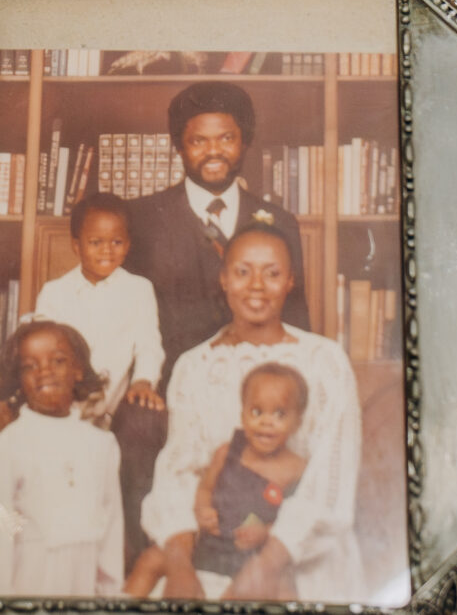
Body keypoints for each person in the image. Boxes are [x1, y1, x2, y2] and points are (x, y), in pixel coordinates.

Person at [118, 81, 309, 559]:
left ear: (244, 141)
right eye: (198, 140)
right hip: (167, 386)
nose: (213, 151)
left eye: (225, 138)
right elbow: (126, 309)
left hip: (256, 385)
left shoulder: (277, 220)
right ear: (179, 146)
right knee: (137, 428)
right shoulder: (142, 218)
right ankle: (148, 560)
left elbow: (299, 315)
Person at [139, 225, 362, 601]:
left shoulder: (325, 361)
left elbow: (330, 481)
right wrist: (180, 569)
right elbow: (178, 472)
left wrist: (263, 568)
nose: (256, 285)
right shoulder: (194, 366)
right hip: (212, 547)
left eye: (272, 273)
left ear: (290, 281)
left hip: (297, 550)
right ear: (223, 279)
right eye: (243, 271)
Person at [0, 321, 125, 598]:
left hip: (85, 591)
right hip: (29, 589)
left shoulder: (102, 445)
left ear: (78, 369)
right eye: (30, 366)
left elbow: (110, 538)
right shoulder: (1, 452)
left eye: (58, 360)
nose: (45, 372)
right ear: (18, 378)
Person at [30, 191, 167, 428]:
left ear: (128, 244)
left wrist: (143, 381)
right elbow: (44, 355)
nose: (107, 251)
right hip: (62, 403)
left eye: (117, 242)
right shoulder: (54, 293)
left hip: (113, 409)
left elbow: (149, 346)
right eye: (96, 243)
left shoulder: (139, 289)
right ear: (76, 245)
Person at [189, 364, 310, 579]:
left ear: (297, 423)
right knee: (152, 560)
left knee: (282, 588)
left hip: (255, 558)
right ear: (242, 414)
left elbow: (298, 519)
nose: (266, 422)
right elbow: (205, 488)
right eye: (256, 412)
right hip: (212, 547)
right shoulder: (226, 453)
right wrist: (203, 509)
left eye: (280, 414)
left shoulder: (297, 469)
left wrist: (267, 532)